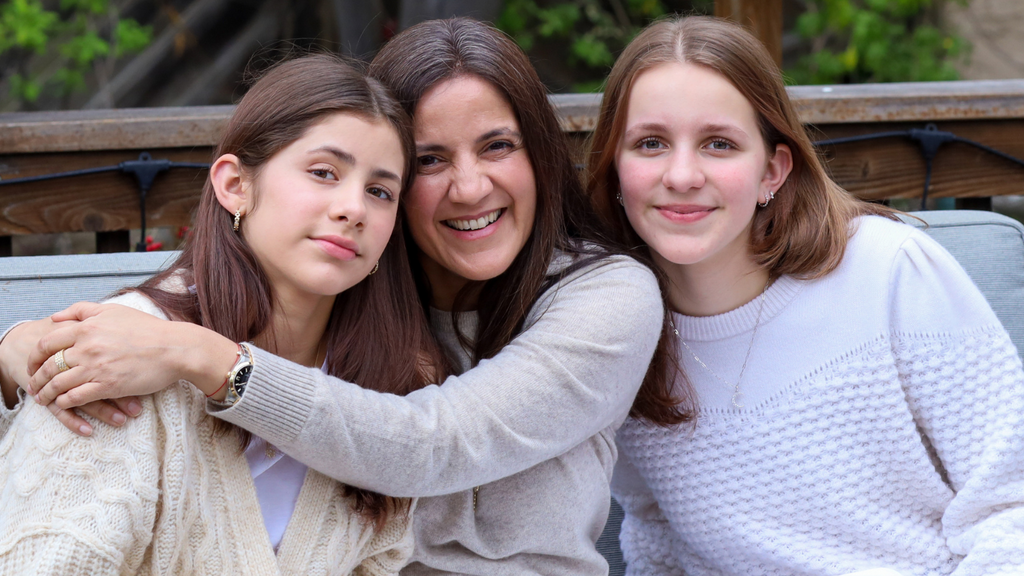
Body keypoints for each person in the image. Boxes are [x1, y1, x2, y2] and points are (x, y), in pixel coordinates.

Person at [0, 18, 693, 575]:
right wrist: (22, 350)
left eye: (497, 146)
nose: (470, 186)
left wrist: (206, 358)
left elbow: (434, 442)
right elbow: (183, 302)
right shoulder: (356, 293)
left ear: (539, 152)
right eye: (429, 160)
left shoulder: (603, 296)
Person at [587, 15, 1024, 576]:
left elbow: (1011, 508)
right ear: (615, 168)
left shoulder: (890, 271)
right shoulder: (611, 331)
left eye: (719, 144)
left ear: (772, 169)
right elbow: (656, 537)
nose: (682, 174)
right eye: (650, 143)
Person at [0, 53, 443, 574]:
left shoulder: (390, 380)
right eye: (323, 172)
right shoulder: (119, 356)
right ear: (235, 185)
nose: (355, 209)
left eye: (380, 191)